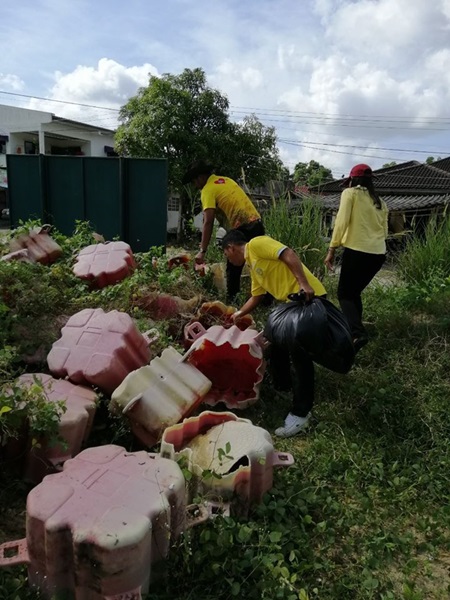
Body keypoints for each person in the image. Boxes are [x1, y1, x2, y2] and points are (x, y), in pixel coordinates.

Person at [221, 230, 327, 438]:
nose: (229, 260)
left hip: (308, 300)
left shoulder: (257, 244)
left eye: (227, 255)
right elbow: (257, 296)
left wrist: (304, 284)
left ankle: (301, 413)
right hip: (292, 305)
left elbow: (288, 254)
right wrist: (238, 314)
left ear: (230, 248)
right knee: (274, 340)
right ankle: (283, 387)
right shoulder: (253, 265)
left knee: (299, 354)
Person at [324, 164, 389, 352]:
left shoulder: (350, 193)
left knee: (344, 294)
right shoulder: (380, 202)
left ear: (352, 180)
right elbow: (384, 231)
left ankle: (357, 333)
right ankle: (354, 330)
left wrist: (331, 249)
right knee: (353, 293)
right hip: (378, 254)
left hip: (357, 251)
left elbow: (341, 222)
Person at [182, 160, 264, 301]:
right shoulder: (225, 180)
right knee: (259, 265)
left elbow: (208, 221)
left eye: (194, 181)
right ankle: (265, 301)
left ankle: (233, 303)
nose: (195, 186)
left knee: (233, 267)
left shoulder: (207, 189)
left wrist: (202, 251)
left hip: (242, 227)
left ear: (201, 177)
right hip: (257, 223)